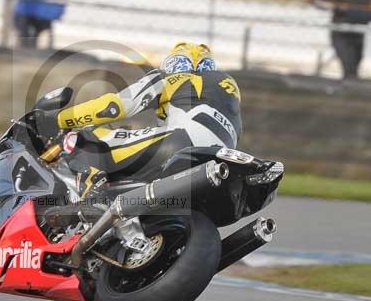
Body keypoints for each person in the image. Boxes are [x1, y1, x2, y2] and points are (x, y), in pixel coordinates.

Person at [37, 42, 242, 199]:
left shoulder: (172, 78)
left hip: (182, 142)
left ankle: (89, 198)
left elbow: (113, 107)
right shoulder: (230, 102)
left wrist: (60, 120)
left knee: (88, 137)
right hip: (221, 160)